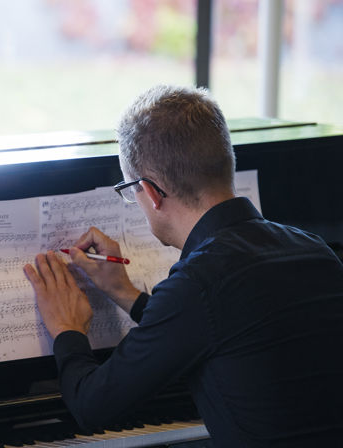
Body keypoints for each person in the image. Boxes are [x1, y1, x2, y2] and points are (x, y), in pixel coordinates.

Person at [23, 85, 343, 447]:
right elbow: (215, 327)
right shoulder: (313, 250)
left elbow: (91, 404)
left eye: (132, 191)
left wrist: (66, 328)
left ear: (153, 192)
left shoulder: (200, 281)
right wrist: (123, 293)